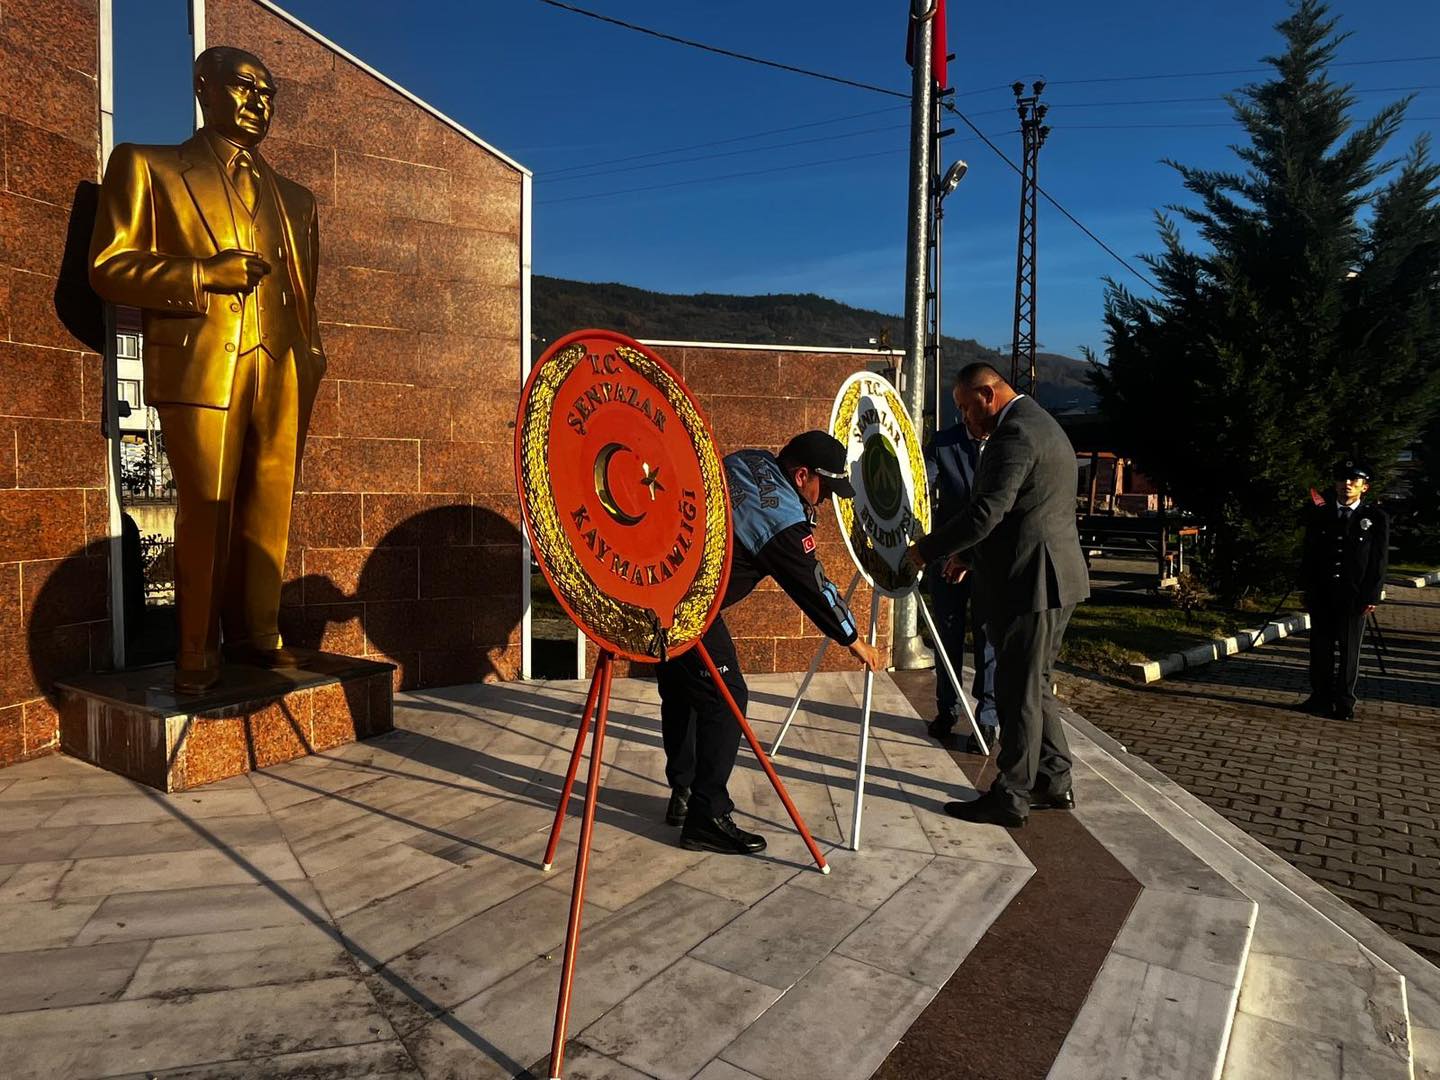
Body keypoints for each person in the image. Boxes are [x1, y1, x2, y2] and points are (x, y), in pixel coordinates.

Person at [90, 47, 325, 693]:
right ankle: (195, 652)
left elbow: (306, 292)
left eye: (269, 92)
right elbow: (109, 266)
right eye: (245, 87)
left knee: (269, 509)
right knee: (206, 507)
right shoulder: (149, 166)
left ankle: (257, 635)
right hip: (201, 362)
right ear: (203, 87)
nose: (259, 101)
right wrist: (199, 275)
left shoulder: (297, 198)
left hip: (282, 364)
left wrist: (311, 356)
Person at [658, 431, 882, 855]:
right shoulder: (783, 523)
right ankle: (707, 816)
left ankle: (684, 793)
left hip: (660, 587)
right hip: (691, 607)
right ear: (802, 476)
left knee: (681, 691)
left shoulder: (750, 458)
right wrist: (854, 641)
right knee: (726, 697)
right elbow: (814, 588)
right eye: (824, 490)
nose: (824, 502)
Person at [905, 364, 1089, 828]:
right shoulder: (1038, 425)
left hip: (1033, 581)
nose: (965, 419)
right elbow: (1021, 511)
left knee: (1016, 692)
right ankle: (1053, 780)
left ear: (988, 394)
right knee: (1036, 686)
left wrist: (924, 551)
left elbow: (986, 512)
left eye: (967, 407)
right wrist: (970, 558)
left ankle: (1011, 795)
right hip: (1047, 577)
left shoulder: (1016, 434)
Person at [925, 401, 999, 751]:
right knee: (947, 635)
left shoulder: (1004, 443)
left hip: (988, 561)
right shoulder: (942, 444)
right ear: (964, 409)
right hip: (947, 558)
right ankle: (947, 709)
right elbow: (924, 488)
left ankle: (987, 718)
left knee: (987, 639)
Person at [1296, 460, 1389, 722]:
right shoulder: (1321, 513)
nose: (1346, 485)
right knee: (1320, 648)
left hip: (1353, 596)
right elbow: (1311, 552)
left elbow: (1378, 561)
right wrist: (1305, 586)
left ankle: (1344, 703)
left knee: (1349, 651)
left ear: (1364, 487)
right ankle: (1320, 698)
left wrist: (1372, 596)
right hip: (1323, 593)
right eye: (1341, 479)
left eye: (1353, 480)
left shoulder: (1374, 518)